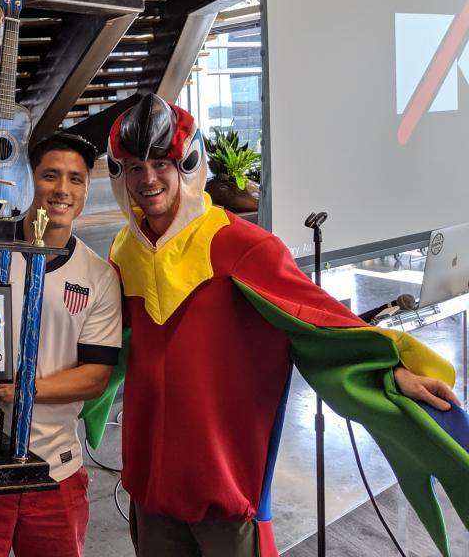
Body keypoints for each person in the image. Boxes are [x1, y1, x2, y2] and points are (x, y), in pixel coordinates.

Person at [103, 93, 469, 557]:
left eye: (161, 162)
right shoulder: (124, 251)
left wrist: (391, 369)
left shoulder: (242, 246)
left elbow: (320, 321)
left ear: (188, 165)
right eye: (134, 167)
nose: (148, 179)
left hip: (227, 486)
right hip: (151, 485)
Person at [0, 133, 123, 557]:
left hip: (55, 470)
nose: (63, 189)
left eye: (75, 179)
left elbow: (96, 376)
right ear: (26, 179)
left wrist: (27, 390)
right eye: (50, 175)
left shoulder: (99, 277)